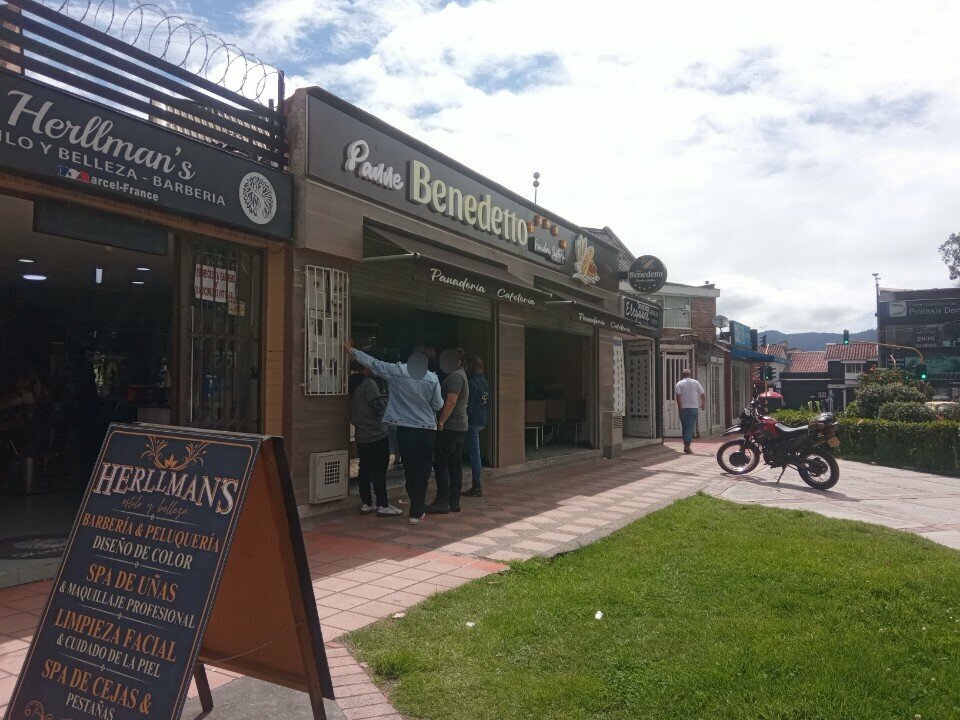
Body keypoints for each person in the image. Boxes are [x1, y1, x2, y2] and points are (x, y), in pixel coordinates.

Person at [346, 340, 443, 525]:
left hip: (404, 429)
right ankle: (416, 511)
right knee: (422, 470)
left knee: (409, 467)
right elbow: (438, 405)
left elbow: (373, 363)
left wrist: (352, 350)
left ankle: (415, 504)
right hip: (426, 430)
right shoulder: (432, 378)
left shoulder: (396, 371)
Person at [349, 361, 402, 517]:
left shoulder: (351, 383)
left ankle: (366, 503)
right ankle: (383, 504)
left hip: (361, 434)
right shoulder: (369, 383)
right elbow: (378, 409)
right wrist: (386, 399)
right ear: (365, 367)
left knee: (364, 469)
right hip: (377, 434)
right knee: (379, 470)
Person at [427, 349, 470, 514]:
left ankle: (442, 500)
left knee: (441, 462)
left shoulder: (455, 377)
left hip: (451, 426)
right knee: (454, 463)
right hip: (460, 426)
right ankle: (453, 501)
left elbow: (451, 401)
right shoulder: (461, 375)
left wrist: (441, 422)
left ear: (458, 362)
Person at [463, 355, 489, 497]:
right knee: (475, 452)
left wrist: (464, 418)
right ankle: (476, 485)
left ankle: (477, 485)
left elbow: (469, 405)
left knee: (475, 454)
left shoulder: (472, 382)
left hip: (473, 421)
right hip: (482, 419)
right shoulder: (484, 381)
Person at [675, 369, 705, 454]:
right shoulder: (696, 382)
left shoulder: (679, 384)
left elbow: (678, 397)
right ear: (690, 375)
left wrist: (680, 408)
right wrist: (703, 404)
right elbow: (702, 394)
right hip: (693, 408)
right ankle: (687, 445)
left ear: (682, 375)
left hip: (683, 409)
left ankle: (686, 445)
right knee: (689, 427)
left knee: (685, 427)